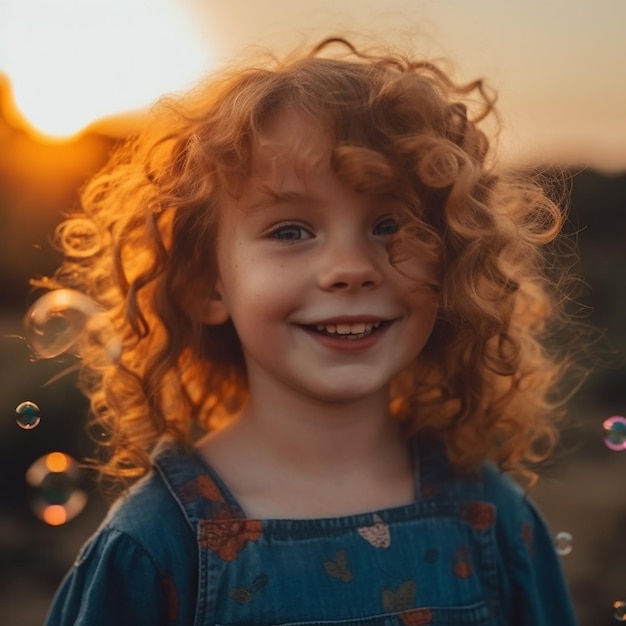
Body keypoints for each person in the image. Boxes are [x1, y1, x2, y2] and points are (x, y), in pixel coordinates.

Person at [41, 35, 583, 625]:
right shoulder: (152, 547)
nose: (350, 268)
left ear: (450, 263)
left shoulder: (493, 520)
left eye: (388, 224)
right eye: (291, 231)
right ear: (208, 283)